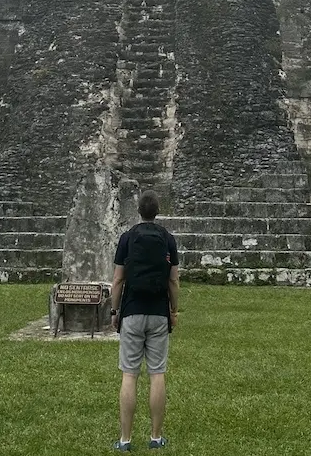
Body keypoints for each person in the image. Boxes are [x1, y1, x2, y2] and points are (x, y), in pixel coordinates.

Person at [111, 190, 180, 451]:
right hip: (158, 312)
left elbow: (118, 280)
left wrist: (114, 312)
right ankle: (155, 436)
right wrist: (174, 310)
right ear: (157, 211)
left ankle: (125, 439)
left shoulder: (127, 238)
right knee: (157, 374)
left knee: (129, 374)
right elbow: (173, 280)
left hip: (132, 310)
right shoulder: (168, 239)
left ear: (138, 211)